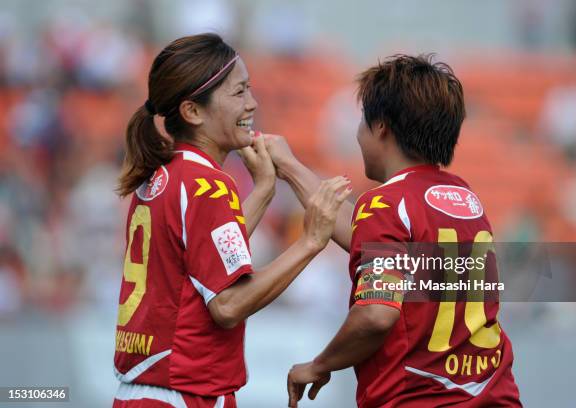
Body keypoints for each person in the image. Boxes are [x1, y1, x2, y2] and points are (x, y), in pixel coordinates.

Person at [265, 54, 522, 407]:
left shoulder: (385, 203)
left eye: (361, 122)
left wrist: (320, 364)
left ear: (381, 126)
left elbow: (376, 313)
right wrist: (290, 166)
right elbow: (364, 236)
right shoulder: (464, 199)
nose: (357, 133)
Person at [112, 33, 351, 408]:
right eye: (239, 93)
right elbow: (226, 305)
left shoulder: (166, 175)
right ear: (193, 112)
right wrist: (310, 241)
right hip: (183, 395)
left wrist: (263, 191)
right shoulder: (208, 184)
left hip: (146, 393)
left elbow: (203, 260)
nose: (252, 103)